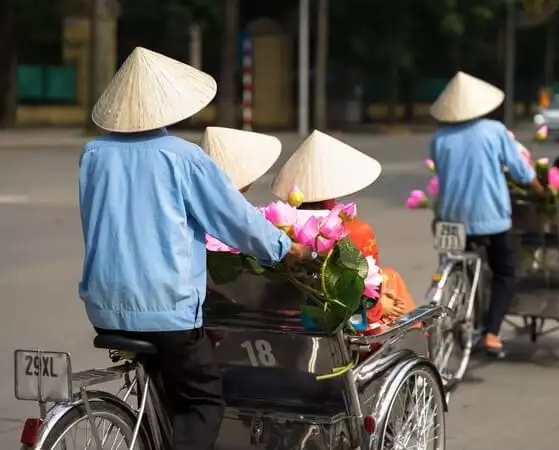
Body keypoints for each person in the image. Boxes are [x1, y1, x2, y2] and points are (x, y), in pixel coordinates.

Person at [78, 47, 310, 450]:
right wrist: (283, 248)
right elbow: (235, 220)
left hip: (103, 307)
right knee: (203, 399)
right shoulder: (184, 158)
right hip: (168, 313)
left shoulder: (94, 155)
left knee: (167, 386)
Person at [429, 71, 544, 355]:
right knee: (505, 271)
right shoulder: (494, 131)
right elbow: (520, 172)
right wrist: (539, 188)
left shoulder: (439, 138)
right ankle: (492, 333)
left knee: (457, 263)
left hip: (450, 217)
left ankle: (456, 300)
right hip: (489, 216)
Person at [271, 130, 417, 324]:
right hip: (339, 324)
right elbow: (361, 294)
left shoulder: (273, 227)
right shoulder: (354, 230)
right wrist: (382, 305)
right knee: (392, 281)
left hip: (282, 314)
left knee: (389, 277)